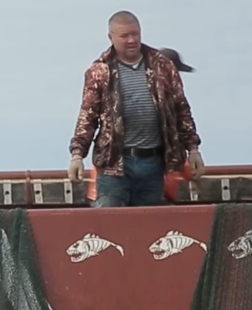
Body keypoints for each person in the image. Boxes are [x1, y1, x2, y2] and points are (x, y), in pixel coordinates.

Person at [68, 11, 204, 207]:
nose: (131, 40)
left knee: (149, 225)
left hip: (153, 162)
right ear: (111, 37)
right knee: (109, 221)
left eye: (135, 34)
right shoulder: (99, 71)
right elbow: (87, 117)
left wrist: (193, 149)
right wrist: (77, 155)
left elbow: (181, 109)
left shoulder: (162, 66)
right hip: (114, 163)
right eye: (124, 36)